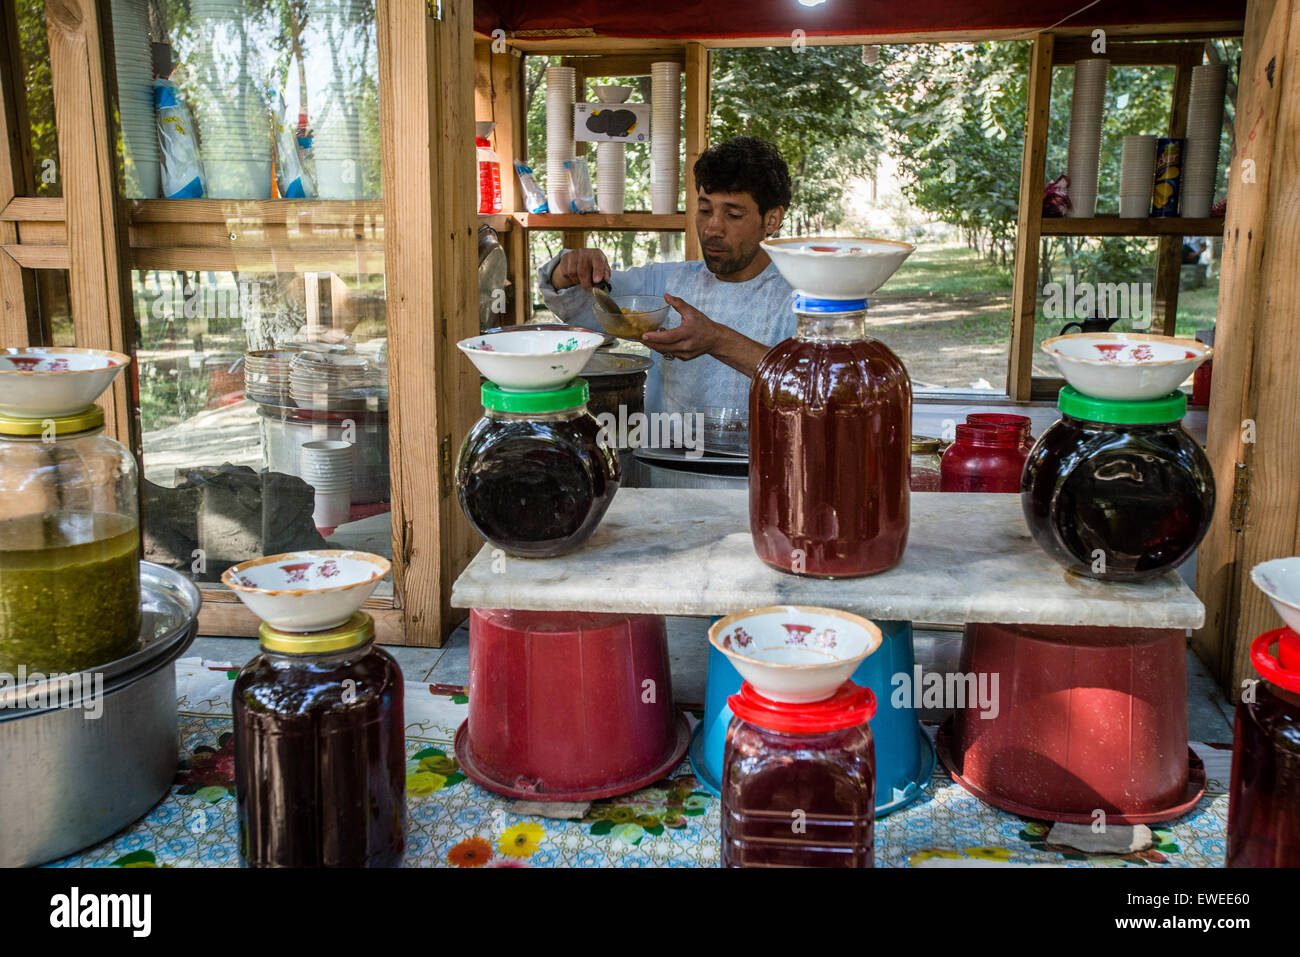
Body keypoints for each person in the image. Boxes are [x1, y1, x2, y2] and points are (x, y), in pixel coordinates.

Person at [537, 136, 797, 439]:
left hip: (754, 479)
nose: (713, 228)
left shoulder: (799, 298)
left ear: (772, 219)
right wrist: (568, 270)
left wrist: (717, 341)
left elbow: (814, 387)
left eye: (733, 214)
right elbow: (587, 305)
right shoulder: (669, 283)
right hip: (662, 474)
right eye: (704, 210)